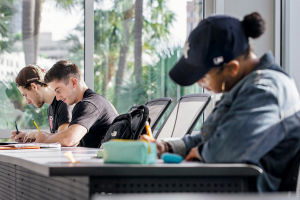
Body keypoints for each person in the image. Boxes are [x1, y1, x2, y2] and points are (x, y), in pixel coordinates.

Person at [141, 12, 300, 192]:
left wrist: (200, 152)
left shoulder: (265, 90)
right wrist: (167, 147)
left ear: (232, 68)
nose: (199, 83)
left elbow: (224, 152)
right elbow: (211, 138)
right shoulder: (246, 86)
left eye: (203, 78)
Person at [32, 60, 118, 148]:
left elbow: (69, 139)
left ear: (74, 82)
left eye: (58, 90)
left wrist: (44, 140)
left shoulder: (88, 104)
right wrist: (45, 136)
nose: (57, 98)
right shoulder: (95, 101)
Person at [11, 65, 73, 142]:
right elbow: (54, 139)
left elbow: (63, 139)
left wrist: (37, 135)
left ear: (34, 86)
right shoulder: (51, 108)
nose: (27, 101)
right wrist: (31, 137)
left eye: (25, 95)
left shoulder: (64, 103)